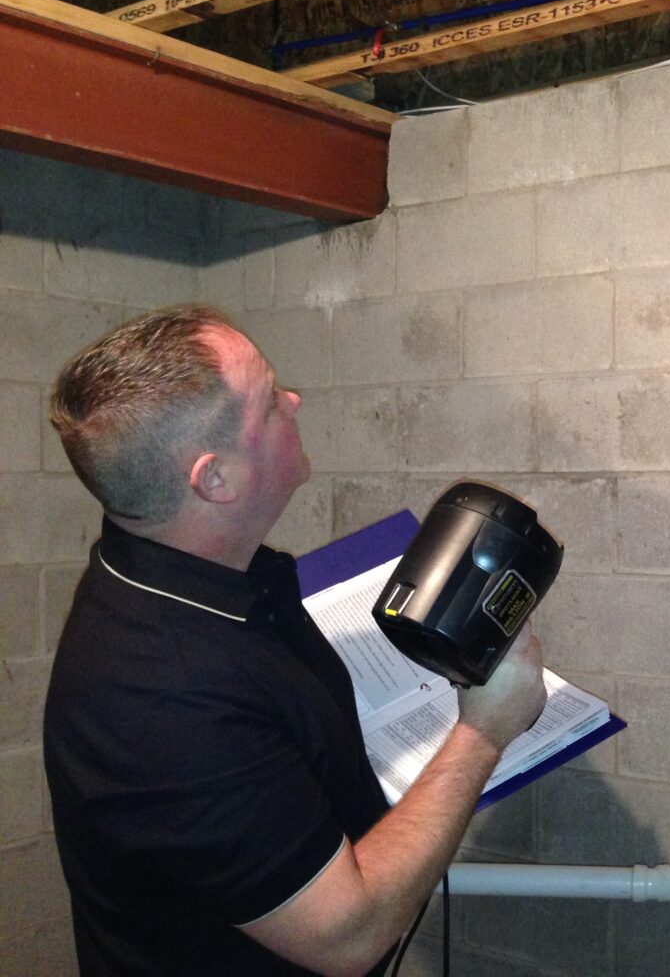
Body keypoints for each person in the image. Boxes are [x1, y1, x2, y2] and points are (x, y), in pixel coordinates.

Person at [44, 304, 546, 977]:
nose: (294, 400)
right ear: (215, 478)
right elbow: (348, 935)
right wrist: (484, 732)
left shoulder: (211, 577)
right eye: (270, 400)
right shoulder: (159, 696)